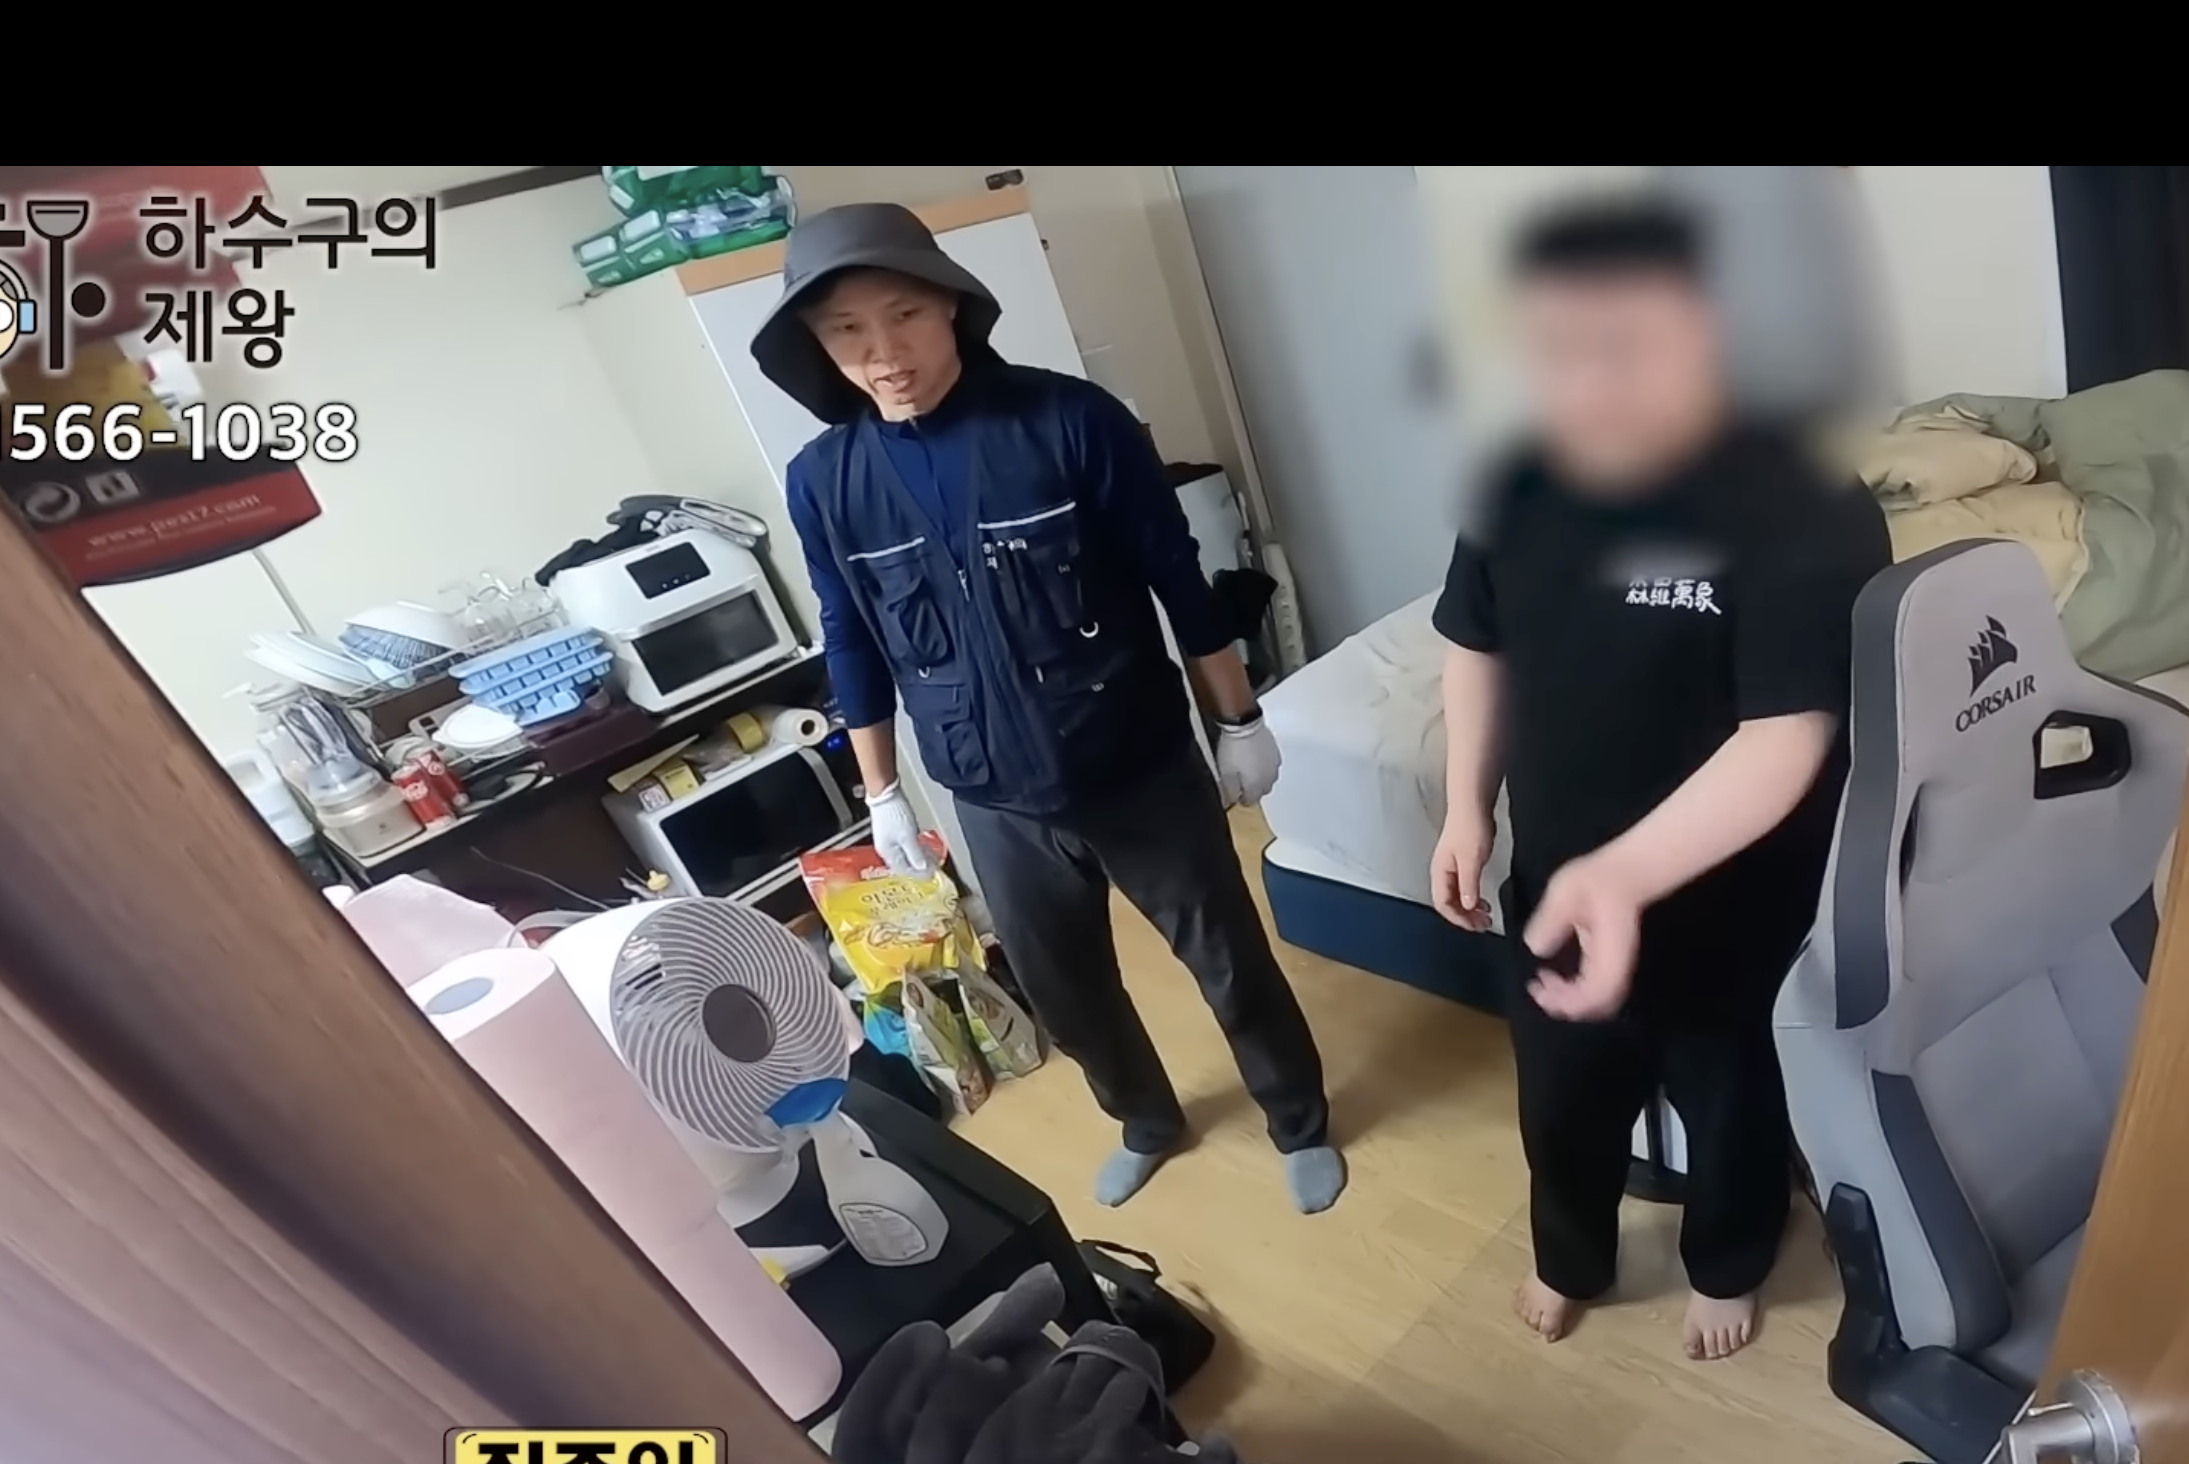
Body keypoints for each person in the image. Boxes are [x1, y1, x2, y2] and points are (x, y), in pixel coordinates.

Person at [757, 205, 1345, 1216]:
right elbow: (850, 637)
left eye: (904, 315)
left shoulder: (1071, 421)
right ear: (817, 344)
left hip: (1136, 764)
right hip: (990, 793)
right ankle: (1146, 1120)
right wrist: (882, 794)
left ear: (951, 305)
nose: (884, 353)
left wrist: (1238, 719)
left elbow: (1178, 579)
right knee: (1064, 986)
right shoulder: (824, 481)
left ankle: (1298, 1117)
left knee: (1228, 960)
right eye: (847, 330)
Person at [1428, 198, 1892, 1359]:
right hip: (1559, 881)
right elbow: (1476, 642)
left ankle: (1730, 1262)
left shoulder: (1803, 506)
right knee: (1560, 1099)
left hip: (1734, 907)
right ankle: (1570, 1254)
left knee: (1733, 1102)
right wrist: (1466, 805)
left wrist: (1625, 876)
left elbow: (1786, 736)